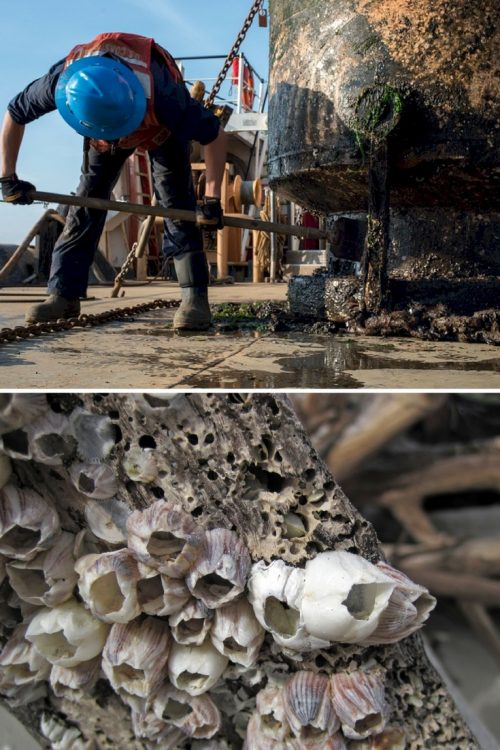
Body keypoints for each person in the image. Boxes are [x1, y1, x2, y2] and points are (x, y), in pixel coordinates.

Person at [0, 32, 227, 330]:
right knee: (87, 200)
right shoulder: (63, 80)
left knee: (176, 203)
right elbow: (15, 113)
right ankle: (63, 295)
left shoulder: (165, 96)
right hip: (102, 131)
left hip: (160, 130)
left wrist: (211, 199)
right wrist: (7, 177)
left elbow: (215, 135)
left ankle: (195, 298)